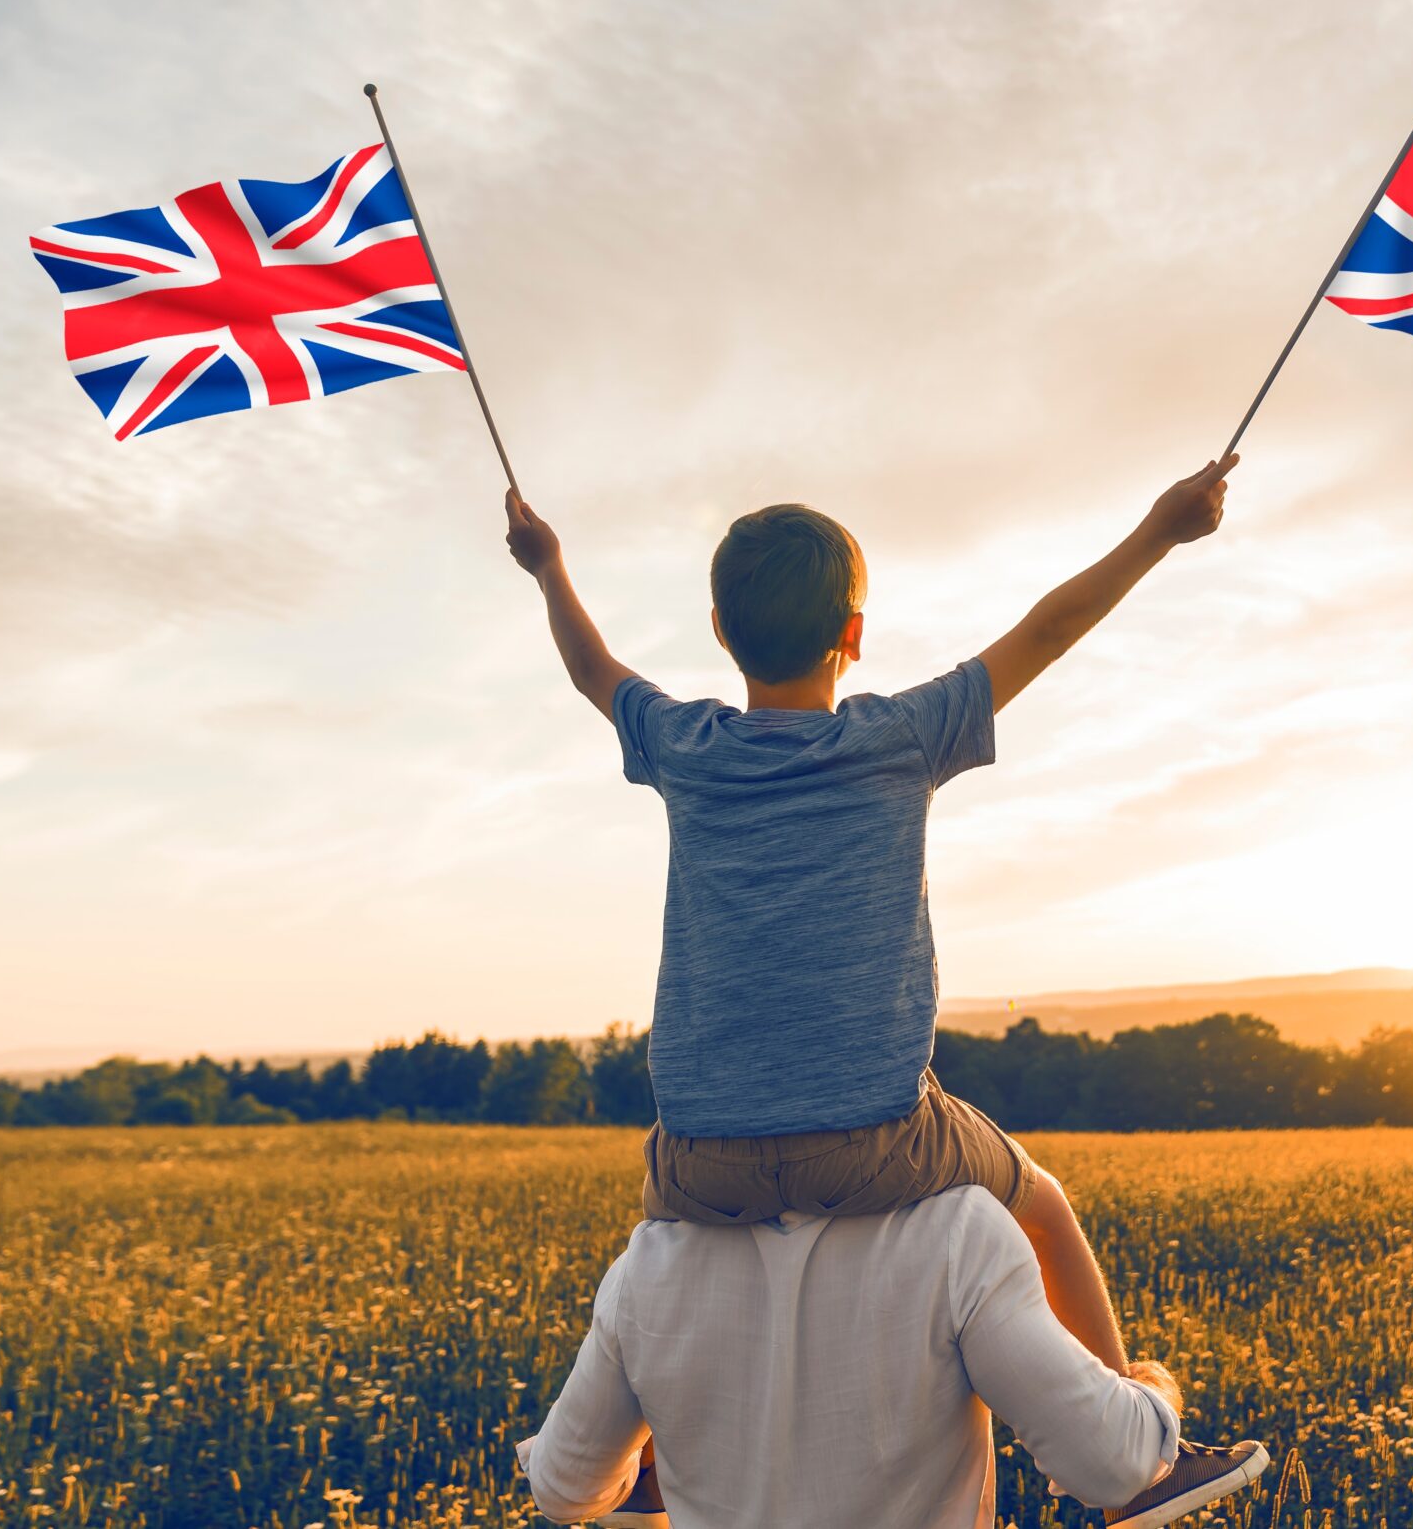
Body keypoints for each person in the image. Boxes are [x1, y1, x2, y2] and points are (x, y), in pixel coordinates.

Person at [504, 453, 1260, 1518]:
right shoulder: (898, 737)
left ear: (720, 630)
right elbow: (1044, 632)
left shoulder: (685, 744)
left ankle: (658, 1473)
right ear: (851, 636)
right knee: (1041, 1201)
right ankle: (1139, 1440)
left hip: (697, 1156)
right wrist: (1159, 531)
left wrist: (548, 568)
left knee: (668, 1285)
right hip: (875, 1138)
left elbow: (593, 671)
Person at [515, 1186, 1267, 1528]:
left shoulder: (650, 1263)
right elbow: (1113, 1465)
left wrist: (644, 1465)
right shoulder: (955, 1230)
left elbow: (561, 1488)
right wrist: (1152, 1390)